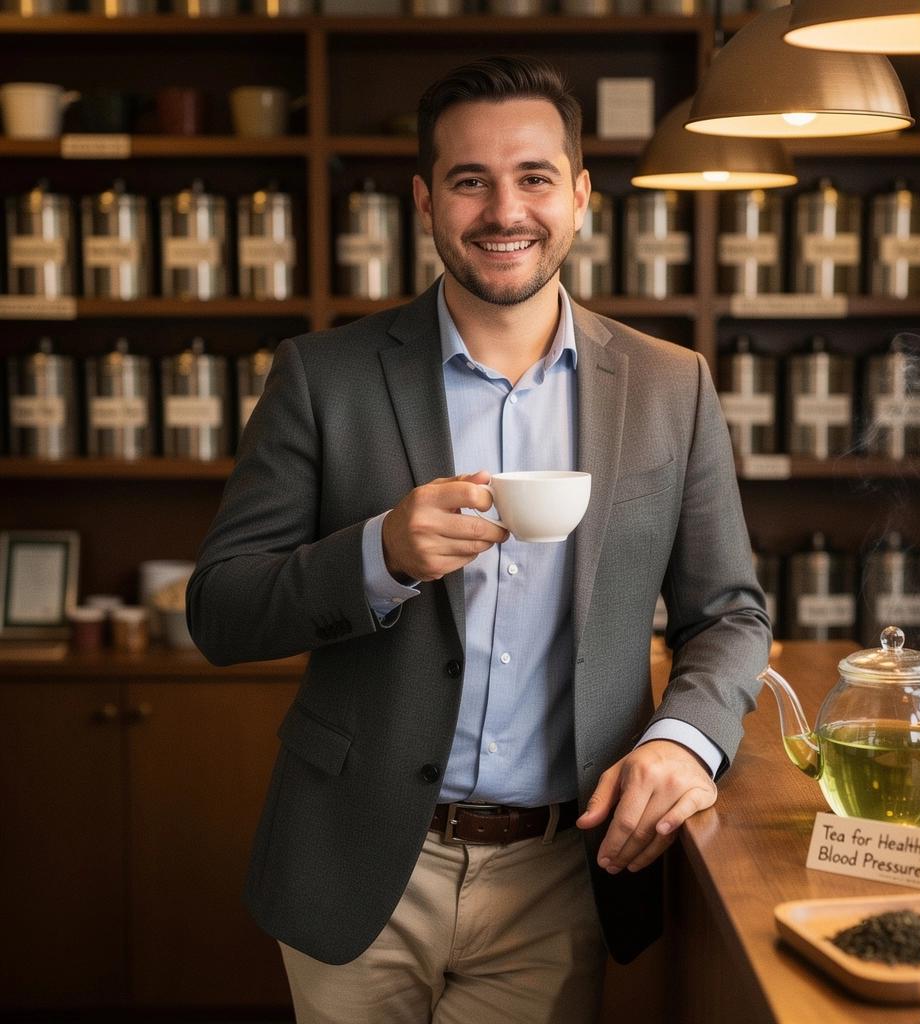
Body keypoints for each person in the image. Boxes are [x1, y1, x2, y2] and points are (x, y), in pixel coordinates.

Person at [187, 55, 770, 1024]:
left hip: (558, 870)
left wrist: (685, 740)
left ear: (580, 196)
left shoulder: (673, 385)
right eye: (470, 180)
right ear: (424, 200)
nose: (505, 210)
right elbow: (220, 609)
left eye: (534, 177)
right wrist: (376, 553)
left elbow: (729, 612)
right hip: (358, 856)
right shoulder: (321, 376)